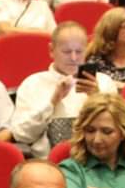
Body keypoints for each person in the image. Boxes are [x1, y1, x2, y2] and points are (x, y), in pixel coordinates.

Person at [11, 21, 116, 159]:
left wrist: (98, 99)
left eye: (79, 52)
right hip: (49, 163)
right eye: (66, 52)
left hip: (98, 161)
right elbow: (21, 135)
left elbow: (120, 130)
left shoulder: (104, 82)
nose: (73, 58)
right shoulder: (33, 84)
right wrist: (52, 103)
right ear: (51, 50)